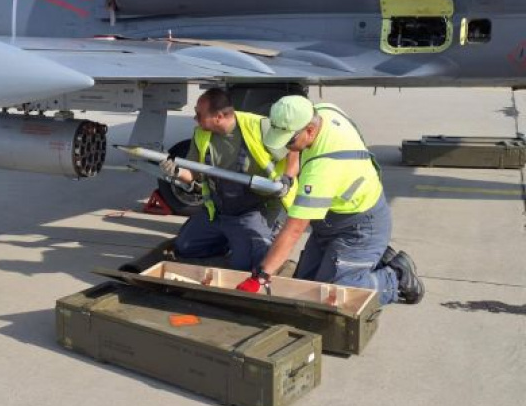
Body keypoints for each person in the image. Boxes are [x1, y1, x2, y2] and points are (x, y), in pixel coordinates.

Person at [236, 96, 424, 305]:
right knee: (304, 288)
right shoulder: (324, 111)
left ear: (309, 130)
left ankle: (395, 278)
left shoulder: (323, 168)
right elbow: (297, 145)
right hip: (330, 219)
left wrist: (260, 276)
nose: (287, 147)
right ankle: (368, 257)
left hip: (360, 227)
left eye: (289, 141)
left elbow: (295, 229)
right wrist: (289, 175)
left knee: (337, 294)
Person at [159, 88, 296, 271]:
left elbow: (294, 151)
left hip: (252, 211)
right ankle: (231, 239)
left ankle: (264, 233)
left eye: (199, 115)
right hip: (218, 211)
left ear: (219, 117)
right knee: (185, 247)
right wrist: (176, 172)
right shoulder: (201, 134)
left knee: (249, 264)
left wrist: (287, 179)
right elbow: (193, 174)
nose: (195, 119)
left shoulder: (258, 127)